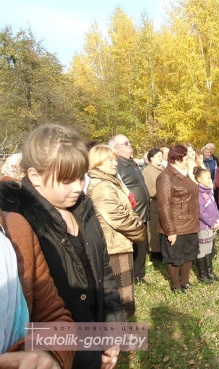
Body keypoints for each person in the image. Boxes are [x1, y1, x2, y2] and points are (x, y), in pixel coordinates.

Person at [0, 124, 123, 369]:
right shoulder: (19, 228)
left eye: (81, 177)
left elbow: (104, 272)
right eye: (66, 180)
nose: (78, 187)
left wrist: (113, 327)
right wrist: (84, 357)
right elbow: (36, 312)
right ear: (35, 176)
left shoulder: (85, 210)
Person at [0, 209, 74, 369]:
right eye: (67, 181)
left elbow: (54, 318)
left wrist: (47, 353)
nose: (77, 189)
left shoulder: (16, 227)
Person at [87, 145, 146, 319]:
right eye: (109, 160)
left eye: (115, 159)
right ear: (97, 163)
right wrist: (140, 230)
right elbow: (119, 218)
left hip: (119, 244)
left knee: (122, 298)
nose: (115, 163)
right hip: (114, 247)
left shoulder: (109, 181)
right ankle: (118, 340)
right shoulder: (103, 186)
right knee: (120, 300)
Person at [156, 145, 199, 293]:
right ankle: (175, 285)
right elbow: (164, 205)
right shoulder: (165, 177)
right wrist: (170, 230)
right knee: (174, 256)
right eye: (186, 158)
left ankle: (185, 281)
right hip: (176, 225)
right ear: (177, 158)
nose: (188, 160)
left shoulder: (184, 173)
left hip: (190, 222)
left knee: (189, 253)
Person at [109, 134, 150, 284]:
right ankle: (130, 276)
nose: (130, 145)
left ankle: (140, 275)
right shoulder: (116, 165)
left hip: (143, 211)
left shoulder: (131, 163)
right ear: (115, 148)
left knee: (142, 245)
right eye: (126, 143)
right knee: (131, 246)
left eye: (130, 142)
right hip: (131, 214)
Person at [193, 167, 219, 284]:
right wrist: (212, 222)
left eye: (210, 177)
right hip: (204, 227)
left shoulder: (208, 191)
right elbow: (201, 213)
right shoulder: (199, 193)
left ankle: (210, 271)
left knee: (209, 249)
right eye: (207, 178)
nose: (210, 180)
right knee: (202, 251)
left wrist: (218, 219)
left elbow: (214, 207)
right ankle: (202, 275)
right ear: (199, 179)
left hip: (212, 225)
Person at [142, 148, 164, 262]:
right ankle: (155, 254)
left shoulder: (162, 169)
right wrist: (163, 194)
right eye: (158, 156)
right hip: (154, 205)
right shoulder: (147, 171)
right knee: (154, 229)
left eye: (161, 156)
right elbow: (149, 190)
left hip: (164, 204)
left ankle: (162, 251)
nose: (161, 158)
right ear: (151, 158)